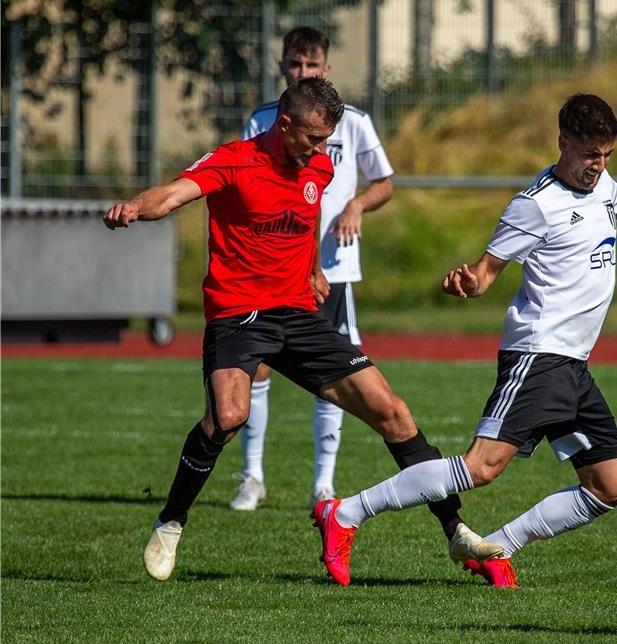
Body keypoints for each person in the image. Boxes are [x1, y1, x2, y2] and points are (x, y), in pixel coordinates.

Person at [309, 93, 617, 588]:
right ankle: (346, 512)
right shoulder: (534, 206)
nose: (599, 166)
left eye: (607, 156)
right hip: (537, 356)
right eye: (591, 155)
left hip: (573, 366)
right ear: (563, 143)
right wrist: (467, 283)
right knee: (481, 468)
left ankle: (499, 546)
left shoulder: (602, 186)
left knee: (608, 488)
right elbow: (486, 273)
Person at [104, 77, 501, 582]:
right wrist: (136, 207)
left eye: (326, 140)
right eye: (313, 138)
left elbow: (307, 215)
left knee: (393, 412)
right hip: (238, 313)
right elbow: (174, 194)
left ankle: (455, 531)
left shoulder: (318, 164)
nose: (320, 149)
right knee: (229, 415)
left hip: (296, 314)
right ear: (284, 124)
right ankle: (172, 520)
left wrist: (313, 268)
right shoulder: (235, 160)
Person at [232, 26, 393, 512]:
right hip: (272, 270)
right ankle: (252, 477)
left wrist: (357, 206)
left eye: (312, 64)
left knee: (335, 371)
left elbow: (384, 181)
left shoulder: (355, 122)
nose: (303, 71)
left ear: (326, 69)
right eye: (295, 64)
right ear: (282, 67)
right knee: (256, 368)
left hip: (333, 270)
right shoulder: (264, 121)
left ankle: (324, 483)